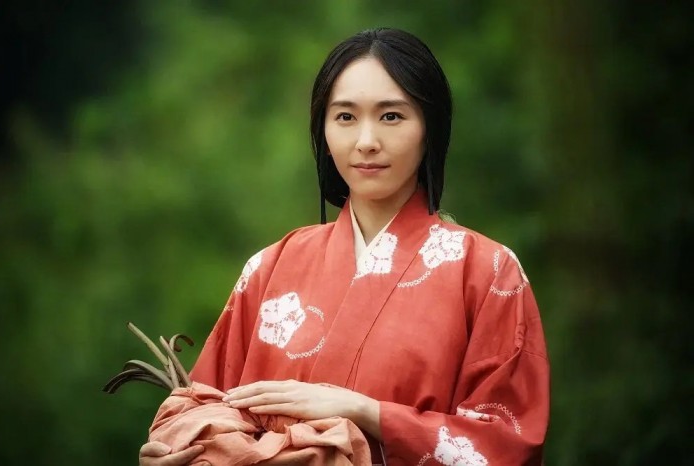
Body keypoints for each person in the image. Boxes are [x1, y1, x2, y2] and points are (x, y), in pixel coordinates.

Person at [139, 28, 549, 466]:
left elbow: (507, 444)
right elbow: (208, 409)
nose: (366, 141)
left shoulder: (488, 271)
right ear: (324, 131)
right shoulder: (270, 267)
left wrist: (366, 412)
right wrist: (179, 449)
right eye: (346, 117)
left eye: (391, 116)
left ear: (430, 128)